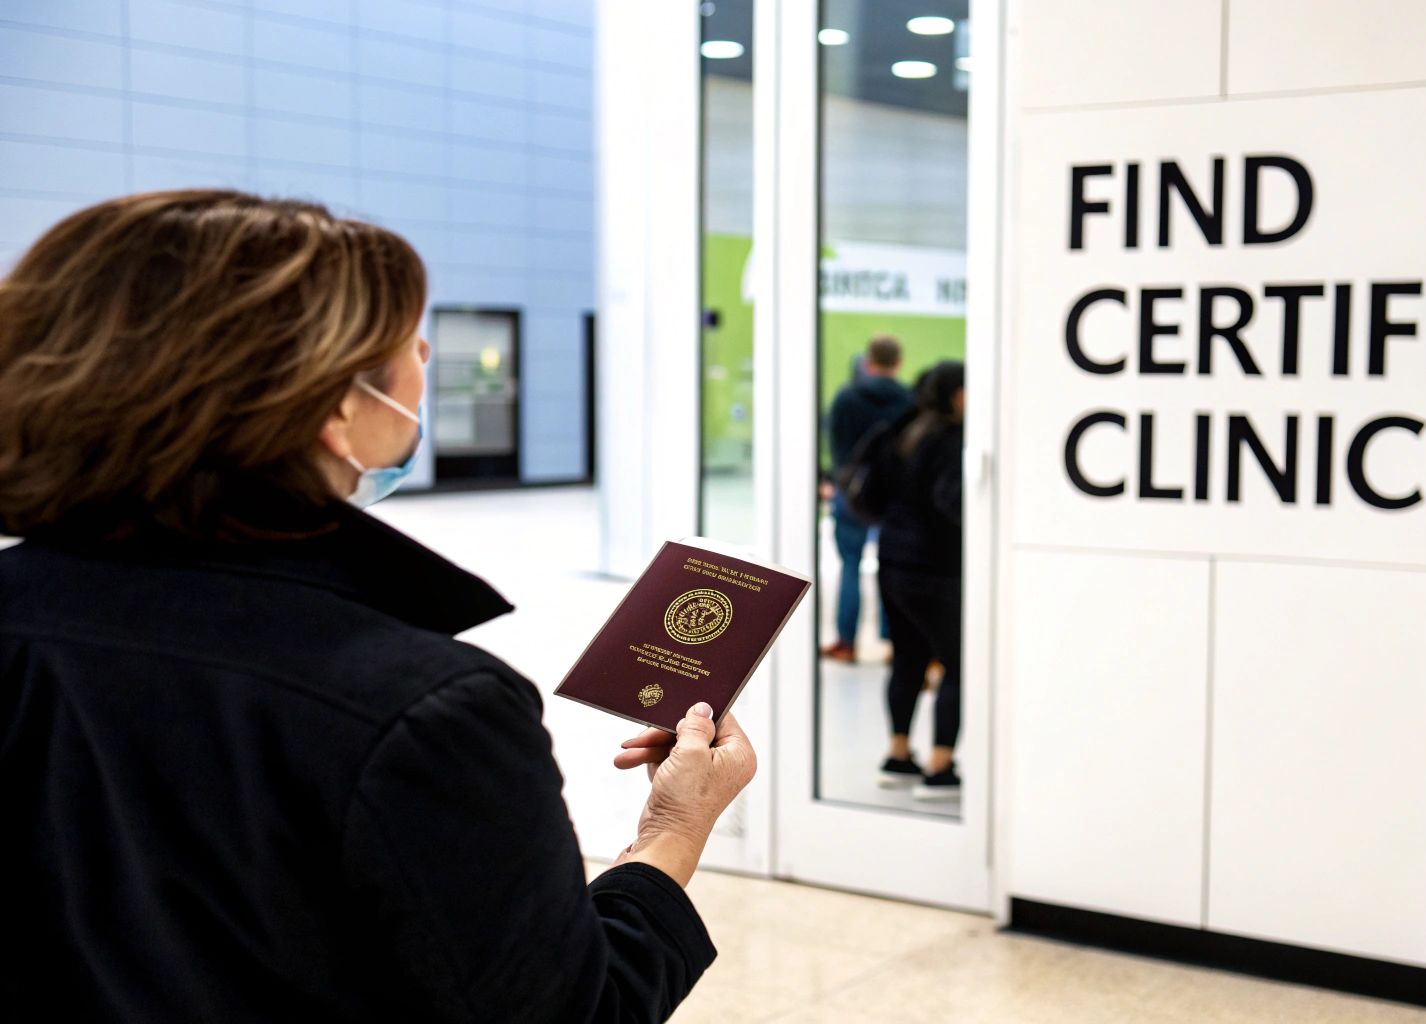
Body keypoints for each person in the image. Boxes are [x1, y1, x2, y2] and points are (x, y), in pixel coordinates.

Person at [0, 191, 753, 1022]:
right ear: (335, 409)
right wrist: (670, 832)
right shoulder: (421, 712)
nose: (427, 355)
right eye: (407, 341)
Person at [874, 360, 965, 801]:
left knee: (908, 657)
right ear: (955, 394)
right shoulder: (950, 440)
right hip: (935, 567)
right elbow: (951, 501)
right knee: (959, 663)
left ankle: (898, 753)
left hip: (892, 561)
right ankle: (940, 767)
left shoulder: (903, 430)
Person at [820, 335, 912, 663]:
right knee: (889, 569)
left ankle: (847, 642)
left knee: (850, 567)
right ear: (898, 363)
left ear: (868, 360)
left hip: (852, 494)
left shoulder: (846, 398)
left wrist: (833, 481)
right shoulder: (908, 399)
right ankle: (892, 644)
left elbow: (838, 450)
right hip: (894, 498)